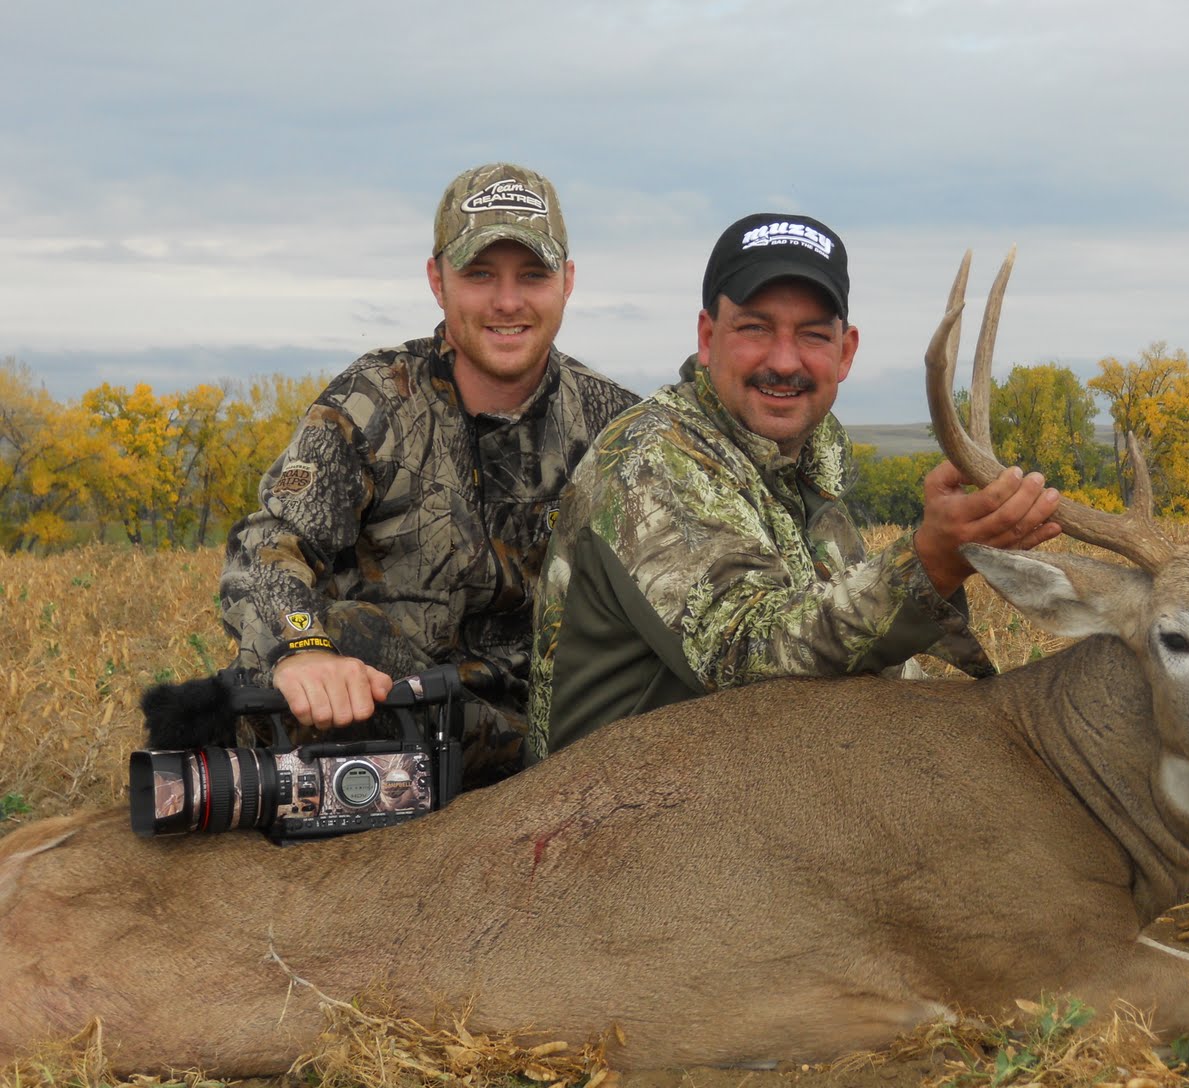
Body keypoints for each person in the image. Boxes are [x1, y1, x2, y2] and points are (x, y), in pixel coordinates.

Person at [528, 211, 1061, 760]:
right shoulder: (648, 459)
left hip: (751, 791)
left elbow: (861, 664)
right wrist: (928, 565)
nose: (784, 362)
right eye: (755, 328)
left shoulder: (804, 470)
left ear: (846, 353)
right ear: (709, 338)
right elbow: (744, 653)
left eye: (811, 334)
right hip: (612, 817)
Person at [197, 162, 639, 787]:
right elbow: (270, 545)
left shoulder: (617, 427)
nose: (507, 302)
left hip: (558, 745)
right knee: (348, 635)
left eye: (532, 276)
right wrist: (304, 649)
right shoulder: (374, 401)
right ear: (438, 280)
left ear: (566, 282)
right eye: (480, 274)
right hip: (389, 720)